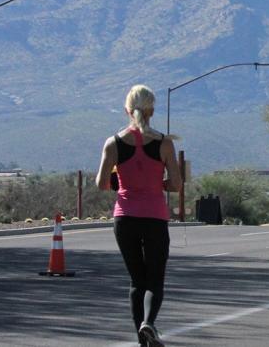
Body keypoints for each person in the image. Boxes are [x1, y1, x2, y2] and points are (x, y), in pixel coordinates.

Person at [96, 85, 181, 347]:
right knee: (155, 279)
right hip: (154, 217)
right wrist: (159, 184)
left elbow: (101, 183)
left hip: (125, 218)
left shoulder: (114, 143)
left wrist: (121, 181)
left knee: (137, 280)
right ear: (152, 110)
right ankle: (149, 323)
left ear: (126, 109)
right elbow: (176, 184)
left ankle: (142, 340)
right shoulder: (164, 143)